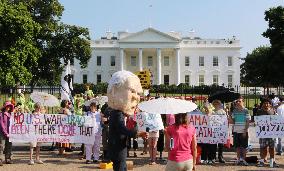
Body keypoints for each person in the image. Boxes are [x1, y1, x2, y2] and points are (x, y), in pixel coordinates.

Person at [107, 70, 147, 171]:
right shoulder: (117, 114)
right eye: (132, 91)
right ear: (115, 92)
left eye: (137, 93)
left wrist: (132, 119)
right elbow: (124, 130)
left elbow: (128, 128)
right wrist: (138, 133)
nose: (137, 97)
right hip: (118, 150)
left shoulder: (119, 114)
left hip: (119, 150)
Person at [257, 98, 279, 167]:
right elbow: (256, 122)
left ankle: (273, 161)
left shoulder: (273, 111)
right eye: (265, 103)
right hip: (263, 133)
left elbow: (278, 121)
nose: (266, 104)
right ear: (262, 104)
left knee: (272, 148)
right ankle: (262, 161)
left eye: (268, 103)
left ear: (270, 104)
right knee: (263, 147)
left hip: (272, 133)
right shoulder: (259, 112)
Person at [228, 97, 250, 166]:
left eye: (239, 101)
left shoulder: (246, 111)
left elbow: (247, 122)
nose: (237, 102)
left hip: (243, 131)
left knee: (244, 146)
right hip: (236, 131)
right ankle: (238, 159)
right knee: (237, 146)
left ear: (243, 102)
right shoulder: (234, 111)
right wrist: (228, 114)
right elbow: (232, 122)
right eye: (237, 101)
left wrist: (245, 131)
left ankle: (243, 159)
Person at [0, 101, 14, 166]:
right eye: (7, 106)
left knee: (9, 146)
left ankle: (8, 159)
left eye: (10, 106)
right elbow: (2, 124)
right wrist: (5, 133)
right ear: (5, 107)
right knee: (1, 146)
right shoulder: (1, 114)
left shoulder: (11, 114)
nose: (8, 107)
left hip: (10, 133)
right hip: (2, 133)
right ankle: (0, 160)